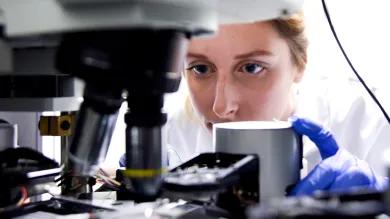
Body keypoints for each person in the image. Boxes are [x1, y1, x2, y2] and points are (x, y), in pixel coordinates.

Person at [118, 12, 389, 196]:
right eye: (200, 69)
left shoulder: (366, 120)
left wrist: (382, 197)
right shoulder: (173, 133)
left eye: (250, 67)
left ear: (300, 63)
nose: (221, 108)